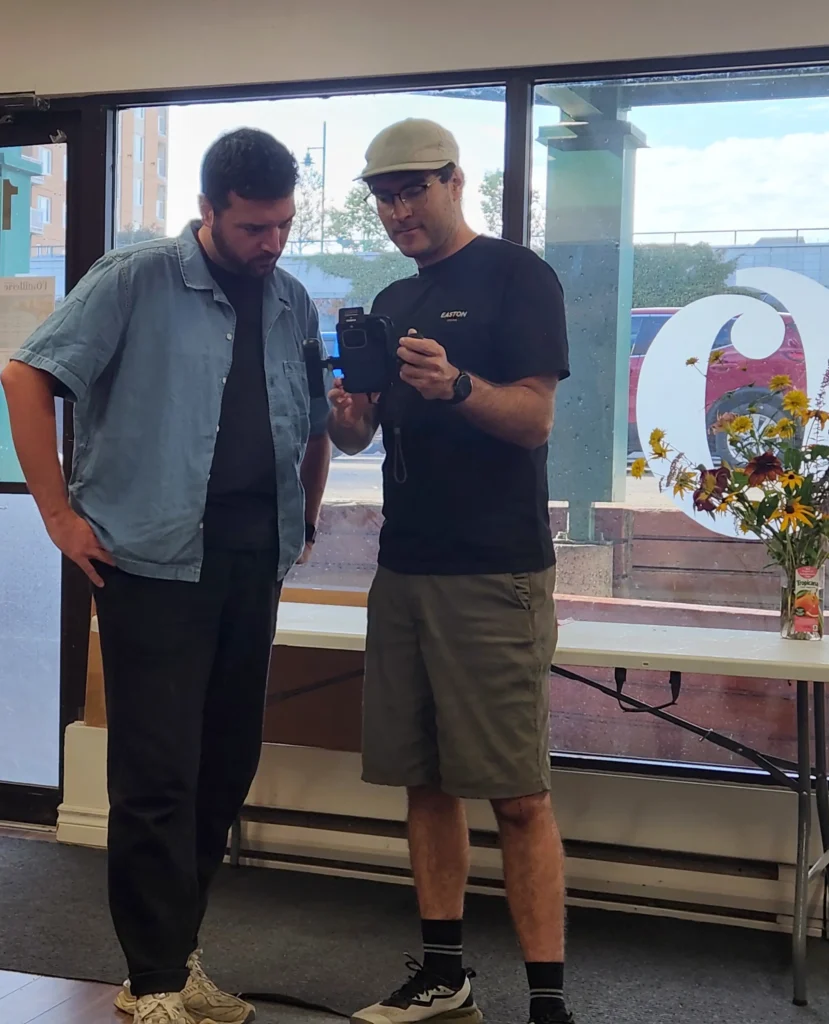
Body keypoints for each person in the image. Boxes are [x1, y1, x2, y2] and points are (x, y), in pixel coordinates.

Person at [1, 128, 330, 1024]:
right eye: (255, 227)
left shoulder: (293, 299)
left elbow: (312, 418)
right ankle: (149, 982)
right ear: (209, 212)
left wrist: (303, 511)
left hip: (249, 562)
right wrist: (57, 516)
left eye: (284, 225)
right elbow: (24, 376)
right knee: (157, 774)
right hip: (150, 563)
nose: (272, 243)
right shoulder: (137, 277)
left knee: (224, 767)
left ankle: (180, 962)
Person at [327, 119, 573, 1024]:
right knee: (422, 780)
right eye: (382, 198)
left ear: (452, 181)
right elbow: (360, 435)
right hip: (404, 571)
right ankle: (443, 975)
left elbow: (535, 419)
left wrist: (457, 386)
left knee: (515, 794)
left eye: (410, 192)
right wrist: (346, 412)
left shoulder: (518, 276)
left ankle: (547, 1002)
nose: (397, 213)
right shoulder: (392, 298)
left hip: (492, 573)